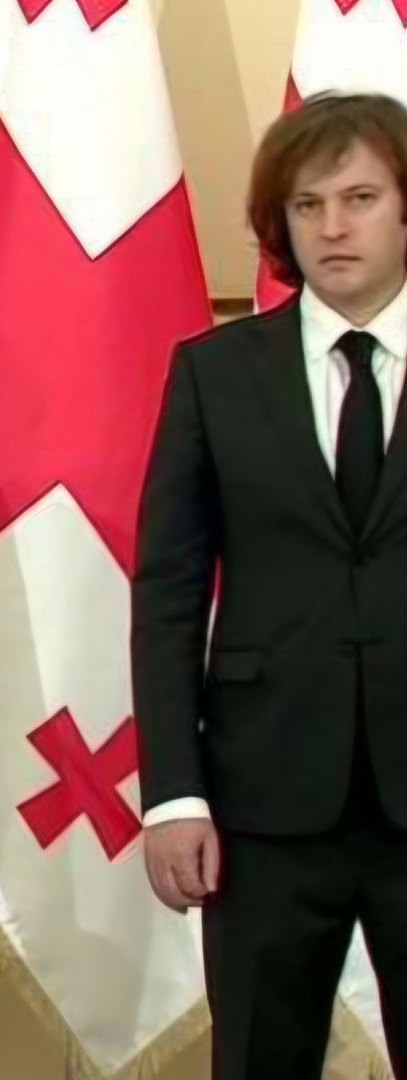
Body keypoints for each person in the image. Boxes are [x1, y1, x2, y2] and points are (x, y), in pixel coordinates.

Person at [134, 92, 407, 1078]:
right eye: (307, 205)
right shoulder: (216, 374)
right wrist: (173, 794)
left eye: (360, 198)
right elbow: (168, 594)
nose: (333, 227)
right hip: (264, 802)